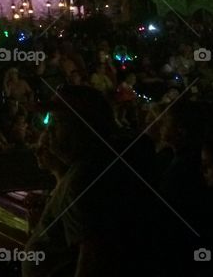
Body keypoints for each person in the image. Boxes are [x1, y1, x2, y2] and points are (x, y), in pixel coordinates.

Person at [23, 86, 137, 276]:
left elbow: (93, 256)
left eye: (57, 123)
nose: (49, 131)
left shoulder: (83, 177)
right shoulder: (95, 164)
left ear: (81, 125)